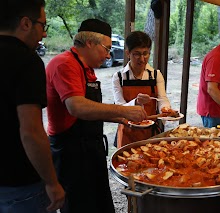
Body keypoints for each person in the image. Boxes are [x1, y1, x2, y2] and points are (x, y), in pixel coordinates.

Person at [45, 19, 147, 213]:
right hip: (71, 153)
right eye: (106, 49)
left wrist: (120, 119)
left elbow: (92, 110)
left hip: (91, 148)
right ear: (90, 43)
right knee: (80, 207)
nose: (108, 55)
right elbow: (77, 107)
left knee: (101, 205)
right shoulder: (64, 64)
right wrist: (124, 110)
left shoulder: (86, 68)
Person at [0, 0, 65, 212]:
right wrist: (52, 183)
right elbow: (31, 131)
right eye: (42, 25)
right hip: (19, 184)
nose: (44, 34)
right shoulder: (27, 61)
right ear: (26, 23)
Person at [112, 31, 171, 148]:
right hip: (127, 131)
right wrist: (136, 102)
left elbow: (162, 98)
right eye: (137, 54)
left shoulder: (155, 74)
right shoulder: (119, 77)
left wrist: (165, 109)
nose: (142, 59)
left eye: (146, 53)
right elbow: (119, 107)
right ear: (128, 53)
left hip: (150, 131)